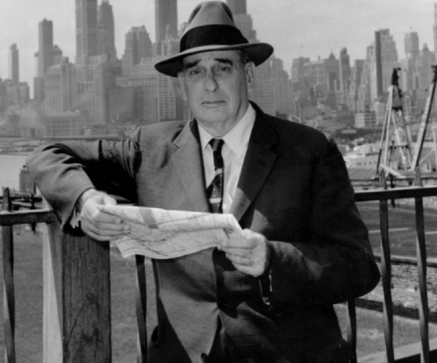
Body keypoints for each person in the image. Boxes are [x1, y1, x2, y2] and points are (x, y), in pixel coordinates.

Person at [27, 2, 380, 362]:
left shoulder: (309, 151)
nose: (209, 84)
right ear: (182, 84)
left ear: (248, 73)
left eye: (222, 68)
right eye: (195, 72)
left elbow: (360, 267)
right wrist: (85, 198)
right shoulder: (151, 149)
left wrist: (273, 259)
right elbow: (48, 155)